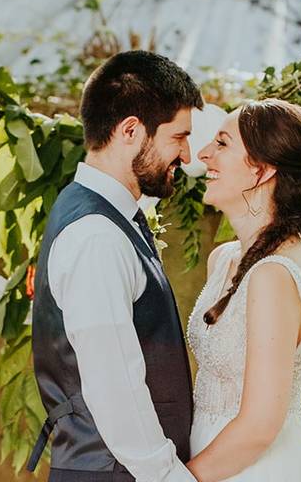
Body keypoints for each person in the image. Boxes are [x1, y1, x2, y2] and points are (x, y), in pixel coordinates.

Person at [27, 50, 203, 481]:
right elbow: (114, 388)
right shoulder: (97, 237)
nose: (185, 154)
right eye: (178, 137)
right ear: (130, 131)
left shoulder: (103, 215)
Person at [186, 98, 301, 481]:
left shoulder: (272, 275)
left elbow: (260, 425)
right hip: (212, 454)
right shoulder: (224, 260)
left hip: (253, 468)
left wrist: (180, 479)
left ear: (262, 171)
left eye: (222, 143)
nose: (203, 154)